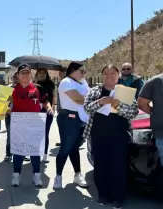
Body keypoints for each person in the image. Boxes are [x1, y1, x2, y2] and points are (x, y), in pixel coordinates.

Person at [84, 65, 138, 208]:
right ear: (102, 76)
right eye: (106, 73)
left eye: (113, 73)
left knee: (119, 166)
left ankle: (118, 198)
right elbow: (86, 108)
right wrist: (100, 102)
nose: (110, 76)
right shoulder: (94, 91)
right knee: (101, 165)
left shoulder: (125, 92)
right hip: (98, 134)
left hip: (119, 136)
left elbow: (133, 112)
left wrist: (118, 105)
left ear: (118, 75)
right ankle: (103, 195)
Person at [10, 64, 53, 188]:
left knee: (35, 151)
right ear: (18, 75)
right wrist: (7, 109)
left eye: (27, 72)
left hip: (34, 124)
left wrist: (48, 107)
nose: (24, 74)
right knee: (18, 151)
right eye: (22, 72)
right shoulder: (12, 89)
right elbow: (6, 103)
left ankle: (37, 175)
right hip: (18, 124)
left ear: (30, 74)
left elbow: (45, 100)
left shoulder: (38, 87)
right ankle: (16, 175)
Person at [54, 61, 89, 189]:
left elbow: (87, 96)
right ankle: (58, 176)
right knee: (66, 147)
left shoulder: (83, 82)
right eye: (82, 71)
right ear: (73, 70)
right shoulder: (66, 82)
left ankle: (77, 174)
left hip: (82, 118)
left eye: (85, 72)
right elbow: (79, 99)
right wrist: (95, 101)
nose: (84, 74)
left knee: (75, 147)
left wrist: (89, 99)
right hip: (69, 118)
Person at [35, 68, 55, 163]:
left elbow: (47, 96)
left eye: (44, 73)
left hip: (47, 112)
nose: (42, 75)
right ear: (36, 74)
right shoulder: (32, 85)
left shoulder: (50, 84)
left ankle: (45, 154)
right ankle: (34, 153)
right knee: (35, 133)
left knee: (45, 133)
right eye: (40, 73)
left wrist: (53, 107)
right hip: (35, 112)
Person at [4, 72, 18, 162]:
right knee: (10, 135)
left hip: (20, 115)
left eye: (18, 77)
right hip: (9, 115)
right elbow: (2, 101)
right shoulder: (7, 88)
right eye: (14, 77)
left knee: (20, 135)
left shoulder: (23, 88)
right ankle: (8, 153)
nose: (16, 79)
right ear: (12, 78)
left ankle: (20, 153)